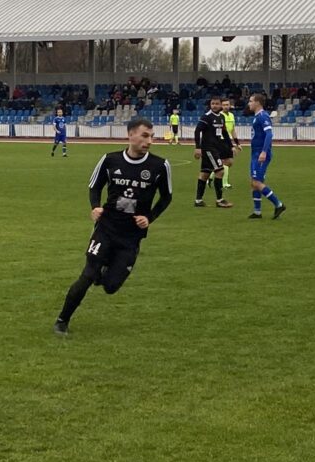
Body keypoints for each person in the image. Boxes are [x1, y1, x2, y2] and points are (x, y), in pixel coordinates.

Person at [54, 118, 173, 334]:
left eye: (152, 136)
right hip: (106, 229)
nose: (149, 140)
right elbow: (94, 187)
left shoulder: (159, 166)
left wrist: (150, 218)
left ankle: (106, 269)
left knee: (110, 286)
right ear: (130, 135)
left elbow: (166, 197)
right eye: (145, 135)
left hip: (131, 237)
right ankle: (62, 320)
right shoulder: (110, 160)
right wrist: (95, 207)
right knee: (88, 275)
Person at [247, 93, 285, 219]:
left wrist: (264, 151)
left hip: (260, 153)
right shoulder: (257, 116)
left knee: (257, 182)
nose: (249, 103)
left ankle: (278, 204)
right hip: (255, 153)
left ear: (257, 102)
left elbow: (269, 134)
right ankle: (257, 212)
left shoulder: (263, 116)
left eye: (251, 101)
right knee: (254, 182)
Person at [193, 96, 233, 208]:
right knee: (220, 171)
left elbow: (224, 133)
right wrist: (197, 147)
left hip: (216, 148)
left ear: (220, 105)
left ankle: (198, 200)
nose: (214, 105)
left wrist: (231, 146)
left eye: (216, 103)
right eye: (212, 103)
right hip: (209, 149)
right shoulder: (206, 117)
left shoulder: (221, 117)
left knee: (205, 173)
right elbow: (197, 131)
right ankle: (220, 200)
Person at [221, 99, 242, 188]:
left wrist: (237, 143)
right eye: (224, 105)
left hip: (228, 140)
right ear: (221, 106)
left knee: (228, 163)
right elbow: (223, 131)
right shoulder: (220, 116)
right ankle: (224, 183)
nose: (226, 106)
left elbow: (232, 130)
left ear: (230, 105)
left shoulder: (231, 115)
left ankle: (211, 177)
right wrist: (231, 146)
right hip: (221, 140)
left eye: (227, 105)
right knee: (227, 161)